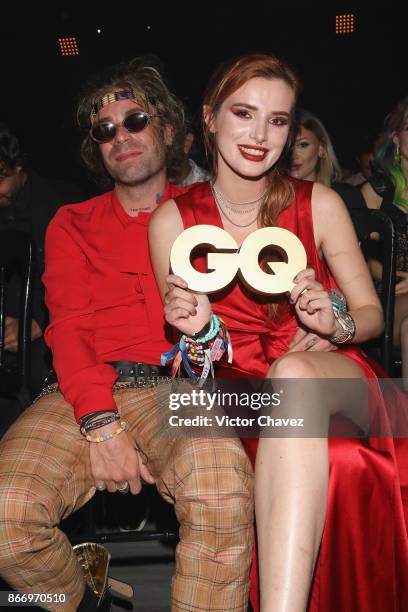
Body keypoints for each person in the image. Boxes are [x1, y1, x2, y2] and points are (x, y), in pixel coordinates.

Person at [149, 53, 408, 612]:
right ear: (210, 117)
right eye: (244, 113)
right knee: (334, 457)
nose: (260, 135)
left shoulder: (321, 203)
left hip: (332, 374)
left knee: (291, 372)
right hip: (231, 394)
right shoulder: (172, 221)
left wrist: (333, 320)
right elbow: (185, 363)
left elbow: (372, 316)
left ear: (292, 132)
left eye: (279, 120)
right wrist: (197, 330)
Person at [0, 58, 254, 612]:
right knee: (5, 518)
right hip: (81, 390)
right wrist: (100, 423)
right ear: (96, 148)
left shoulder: (213, 217)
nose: (121, 136)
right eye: (105, 129)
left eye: (136, 119)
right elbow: (66, 327)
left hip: (178, 389)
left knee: (219, 489)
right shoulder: (72, 222)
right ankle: (86, 600)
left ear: (167, 130)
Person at [0, 124, 86, 435]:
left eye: (1, 179)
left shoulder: (59, 204)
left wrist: (36, 320)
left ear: (18, 168)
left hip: (45, 326)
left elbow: (75, 278)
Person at [361, 96, 408, 385]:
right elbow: (355, 255)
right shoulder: (376, 191)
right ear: (395, 138)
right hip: (392, 294)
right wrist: (387, 275)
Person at [289, 108, 367, 209]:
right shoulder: (270, 201)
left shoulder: (345, 197)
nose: (293, 155)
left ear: (321, 148)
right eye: (286, 147)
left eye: (303, 145)